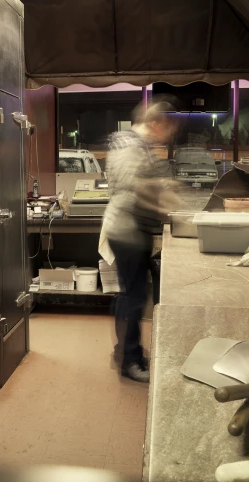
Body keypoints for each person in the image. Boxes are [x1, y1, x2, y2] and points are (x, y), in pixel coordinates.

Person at [101, 98, 181, 383]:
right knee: (132, 296)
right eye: (168, 128)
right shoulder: (129, 146)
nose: (168, 136)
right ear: (157, 123)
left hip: (134, 229)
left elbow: (146, 185)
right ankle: (128, 359)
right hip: (126, 230)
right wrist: (166, 202)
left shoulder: (139, 146)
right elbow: (132, 189)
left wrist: (164, 193)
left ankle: (126, 350)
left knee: (133, 293)